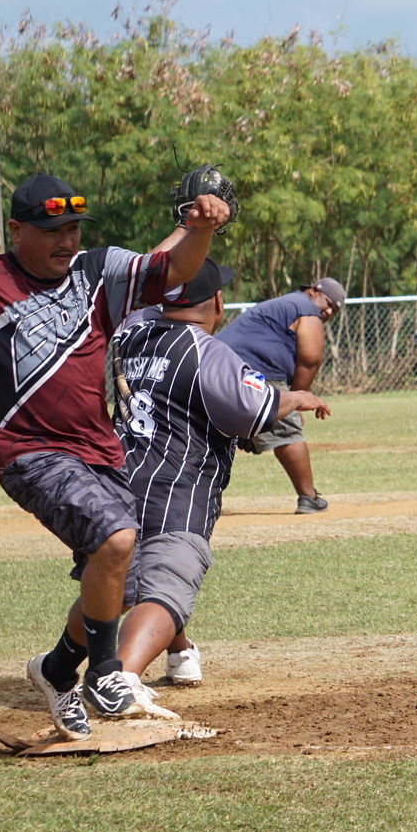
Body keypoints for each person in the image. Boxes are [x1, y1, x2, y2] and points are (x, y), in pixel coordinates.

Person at [0, 173, 229, 741]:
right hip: (28, 452)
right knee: (118, 539)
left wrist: (199, 231)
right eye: (52, 231)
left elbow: (174, 270)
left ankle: (54, 670)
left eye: (74, 228)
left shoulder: (99, 273)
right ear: (17, 229)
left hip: (99, 452)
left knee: (115, 583)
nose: (67, 241)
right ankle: (105, 673)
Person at [102, 258, 330, 701]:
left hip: (117, 477)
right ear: (219, 302)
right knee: (168, 582)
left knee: (127, 581)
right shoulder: (208, 351)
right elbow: (255, 409)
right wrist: (297, 396)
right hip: (176, 487)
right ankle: (119, 682)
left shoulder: (130, 333)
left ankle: (177, 651)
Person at [216, 276, 344, 513]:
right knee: (287, 430)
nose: (328, 311)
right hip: (255, 370)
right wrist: (296, 401)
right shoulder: (306, 308)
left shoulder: (285, 305)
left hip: (216, 368)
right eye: (328, 303)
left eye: (334, 310)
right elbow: (310, 359)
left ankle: (200, 497)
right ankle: (309, 497)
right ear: (313, 291)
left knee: (213, 433)